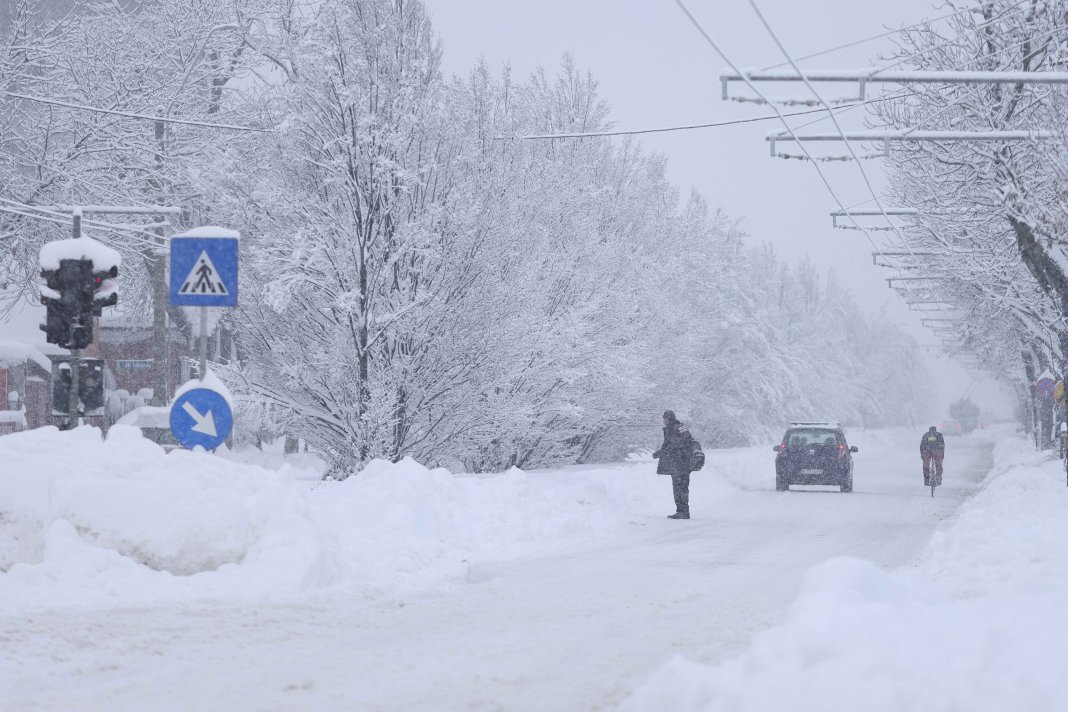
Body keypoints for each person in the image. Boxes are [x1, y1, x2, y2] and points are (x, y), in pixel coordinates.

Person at [652, 410, 695, 519]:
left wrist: (661, 452)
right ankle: (682, 511)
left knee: (680, 488)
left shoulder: (679, 427)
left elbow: (684, 441)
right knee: (680, 488)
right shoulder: (673, 428)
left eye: (664, 418)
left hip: (680, 463)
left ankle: (683, 512)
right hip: (679, 463)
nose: (663, 421)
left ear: (668, 418)